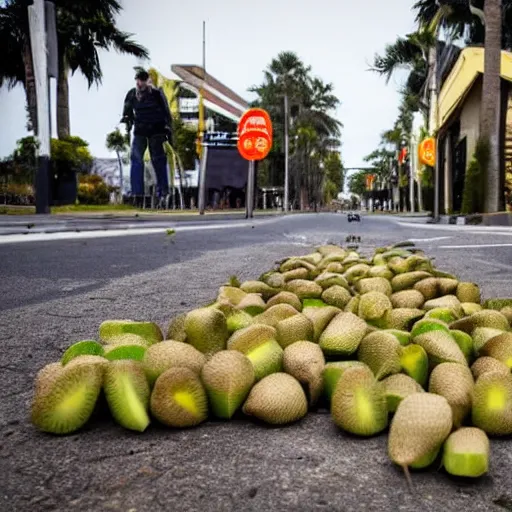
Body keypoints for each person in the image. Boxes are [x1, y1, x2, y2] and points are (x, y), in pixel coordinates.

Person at [120, 69, 173, 207]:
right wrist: (127, 123)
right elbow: (127, 112)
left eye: (142, 80)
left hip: (156, 130)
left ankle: (163, 192)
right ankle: (137, 193)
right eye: (138, 80)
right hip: (140, 130)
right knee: (136, 159)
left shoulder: (156, 94)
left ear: (146, 81)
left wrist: (168, 129)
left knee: (158, 160)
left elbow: (166, 112)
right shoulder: (132, 94)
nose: (139, 83)